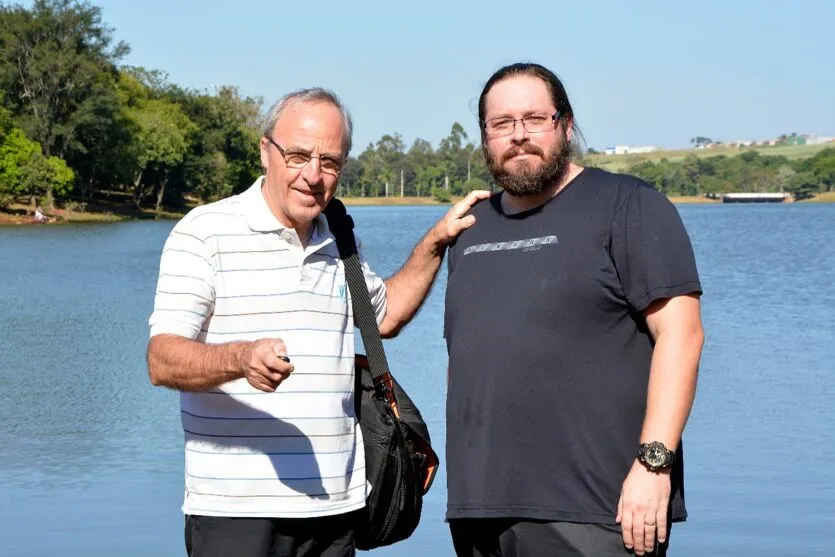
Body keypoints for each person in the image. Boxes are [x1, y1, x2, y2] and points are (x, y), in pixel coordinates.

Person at [146, 87, 489, 557]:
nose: (313, 175)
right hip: (238, 513)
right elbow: (162, 360)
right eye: (298, 155)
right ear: (266, 151)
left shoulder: (340, 238)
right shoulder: (204, 233)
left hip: (336, 514)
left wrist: (436, 241)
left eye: (330, 162)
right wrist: (240, 358)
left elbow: (383, 317)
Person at [442, 62, 705, 556]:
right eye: (502, 124)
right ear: (485, 137)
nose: (519, 136)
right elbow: (466, 357)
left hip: (599, 512)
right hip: (481, 511)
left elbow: (682, 335)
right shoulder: (471, 228)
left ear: (565, 124)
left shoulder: (627, 205)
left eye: (534, 118)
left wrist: (654, 466)